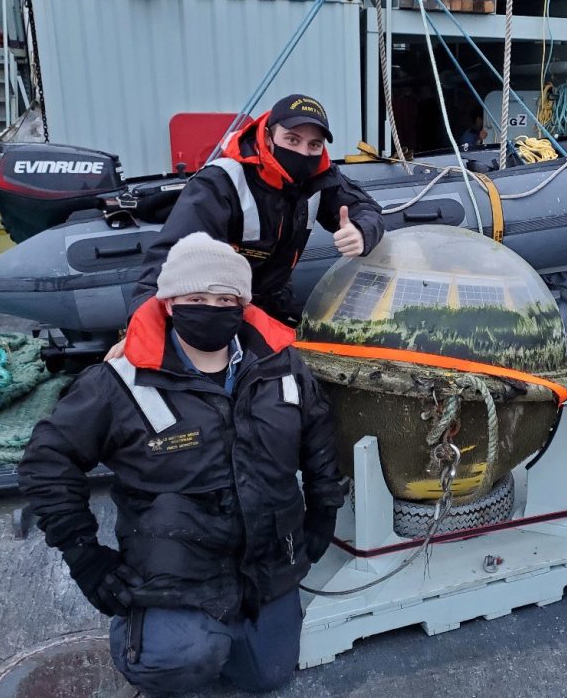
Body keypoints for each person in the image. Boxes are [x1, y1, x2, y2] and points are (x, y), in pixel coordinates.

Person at [19, 232, 344, 693]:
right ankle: (152, 633)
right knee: (175, 661)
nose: (211, 308)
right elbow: (46, 461)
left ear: (243, 304)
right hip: (176, 565)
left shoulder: (283, 366)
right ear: (169, 303)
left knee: (269, 677)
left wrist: (323, 509)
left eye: (225, 298)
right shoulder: (118, 382)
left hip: (269, 556)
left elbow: (318, 435)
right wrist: (85, 556)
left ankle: (239, 630)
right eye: (196, 297)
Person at [135, 92, 384, 326]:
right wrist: (144, 325)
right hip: (221, 307)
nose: (303, 152)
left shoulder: (319, 175)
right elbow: (170, 257)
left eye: (314, 145)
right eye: (292, 140)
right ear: (267, 137)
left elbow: (364, 207)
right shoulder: (220, 183)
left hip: (276, 301)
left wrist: (361, 230)